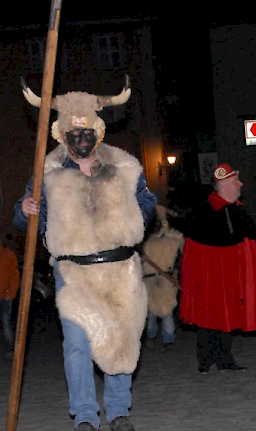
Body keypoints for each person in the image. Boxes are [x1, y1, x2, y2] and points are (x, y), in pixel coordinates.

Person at [14, 81, 157, 431]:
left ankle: (119, 410)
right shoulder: (45, 172)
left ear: (98, 130)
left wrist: (133, 218)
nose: (80, 136)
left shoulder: (124, 167)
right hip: (75, 272)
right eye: (73, 131)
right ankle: (84, 414)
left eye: (86, 130)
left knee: (123, 339)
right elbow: (23, 213)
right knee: (78, 344)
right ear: (62, 134)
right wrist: (28, 208)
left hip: (121, 267)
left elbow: (148, 201)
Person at [178, 163, 256, 375]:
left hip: (231, 278)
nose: (241, 184)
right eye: (235, 181)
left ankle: (225, 360)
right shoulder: (202, 212)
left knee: (230, 317)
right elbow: (194, 253)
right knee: (208, 316)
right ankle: (205, 359)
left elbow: (248, 246)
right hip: (210, 279)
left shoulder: (238, 210)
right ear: (224, 184)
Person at [142, 205, 184, 350]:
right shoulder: (147, 242)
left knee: (165, 310)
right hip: (149, 279)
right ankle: (153, 336)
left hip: (166, 279)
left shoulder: (171, 241)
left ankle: (167, 338)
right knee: (152, 311)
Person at [0, 236, 20, 358]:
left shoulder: (8, 255)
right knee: (6, 322)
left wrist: (11, 293)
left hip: (4, 297)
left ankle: (10, 349)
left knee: (6, 322)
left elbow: (14, 276)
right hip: (5, 295)